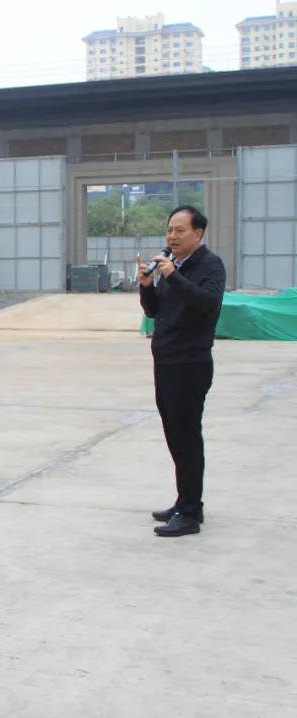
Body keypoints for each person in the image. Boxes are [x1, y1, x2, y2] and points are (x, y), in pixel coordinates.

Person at [138, 205, 226, 538]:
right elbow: (155, 311)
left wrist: (174, 276)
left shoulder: (210, 265)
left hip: (190, 364)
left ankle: (190, 513)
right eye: (169, 230)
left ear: (198, 233)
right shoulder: (172, 266)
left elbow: (208, 304)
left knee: (187, 436)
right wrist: (148, 286)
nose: (172, 237)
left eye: (180, 230)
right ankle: (184, 500)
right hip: (166, 362)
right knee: (174, 435)